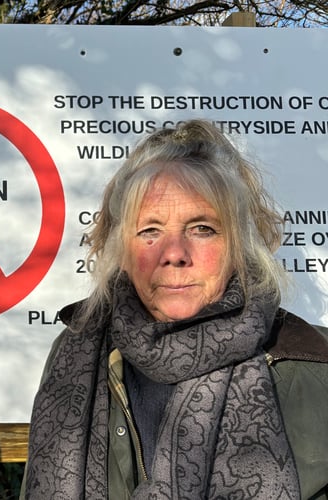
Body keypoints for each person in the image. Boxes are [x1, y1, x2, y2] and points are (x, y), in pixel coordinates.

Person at [22, 119, 328, 499]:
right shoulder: (76, 355)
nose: (174, 255)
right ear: (122, 251)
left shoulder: (315, 365)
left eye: (202, 228)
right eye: (150, 231)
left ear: (240, 245)